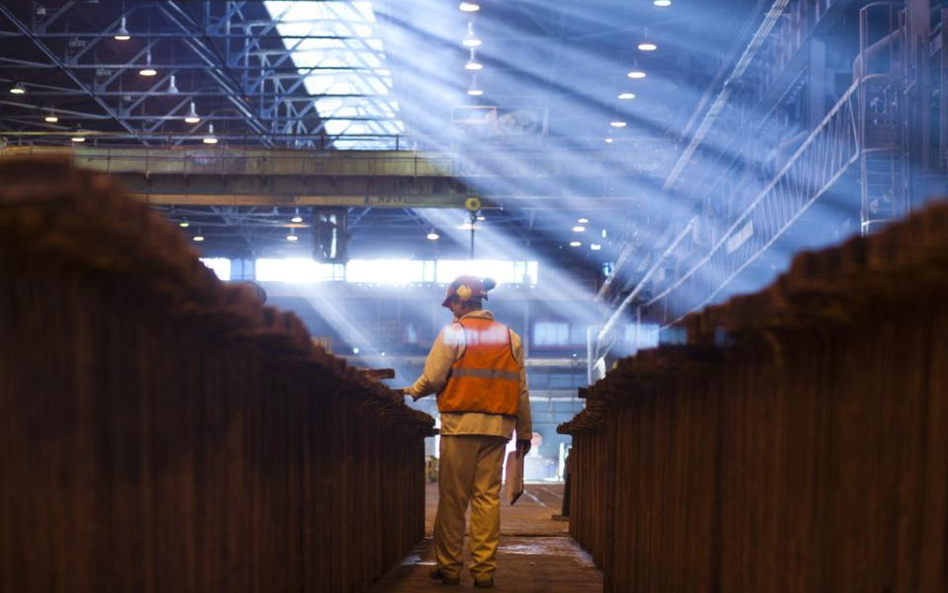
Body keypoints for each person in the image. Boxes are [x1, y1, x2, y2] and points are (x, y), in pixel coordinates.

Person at [404, 275, 532, 588]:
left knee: (453, 500)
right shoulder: (510, 337)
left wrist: (410, 392)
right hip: (498, 429)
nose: (451, 311)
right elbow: (521, 391)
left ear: (462, 302)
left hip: (460, 425)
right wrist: (524, 433)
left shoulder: (454, 333)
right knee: (487, 499)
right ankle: (484, 571)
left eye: (452, 305)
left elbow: (433, 377)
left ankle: (449, 568)